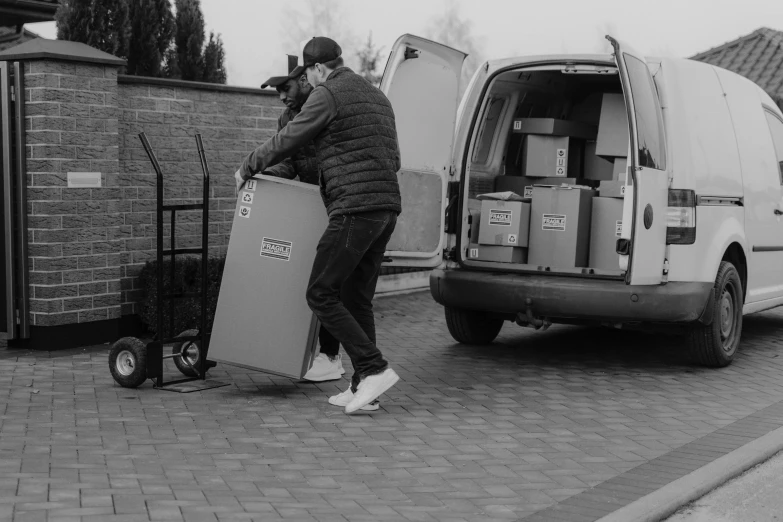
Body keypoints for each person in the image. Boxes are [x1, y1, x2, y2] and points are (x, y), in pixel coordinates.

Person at [235, 37, 401, 414]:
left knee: (320, 293)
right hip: (386, 208)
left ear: (317, 69)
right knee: (356, 298)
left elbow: (290, 138)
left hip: (354, 209)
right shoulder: (378, 98)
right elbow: (394, 156)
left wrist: (248, 166)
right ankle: (363, 386)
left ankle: (373, 369)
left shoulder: (327, 93)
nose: (309, 82)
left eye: (308, 74)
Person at [260, 56, 346, 384]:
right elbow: (288, 161)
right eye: (277, 91)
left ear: (304, 79)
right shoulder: (286, 117)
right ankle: (316, 353)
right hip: (309, 207)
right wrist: (265, 176)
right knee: (313, 280)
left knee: (330, 283)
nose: (282, 96)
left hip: (336, 202)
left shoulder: (326, 102)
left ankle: (331, 355)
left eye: (286, 87)